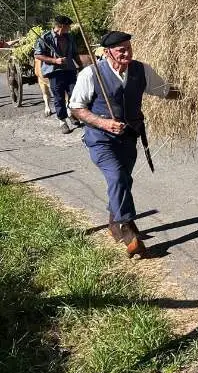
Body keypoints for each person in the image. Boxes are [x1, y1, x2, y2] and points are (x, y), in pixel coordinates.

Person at [69, 30, 180, 257]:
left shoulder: (141, 70)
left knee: (123, 181)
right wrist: (103, 123)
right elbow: (76, 108)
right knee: (117, 177)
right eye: (121, 50)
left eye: (129, 48)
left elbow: (165, 91)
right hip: (101, 140)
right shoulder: (92, 74)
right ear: (108, 52)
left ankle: (113, 224)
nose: (127, 53)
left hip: (129, 137)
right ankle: (129, 231)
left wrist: (195, 93)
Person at [33, 14, 83, 133]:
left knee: (73, 94)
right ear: (60, 26)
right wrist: (55, 60)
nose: (69, 29)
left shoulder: (69, 37)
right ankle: (62, 121)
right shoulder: (45, 38)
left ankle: (71, 113)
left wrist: (80, 65)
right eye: (67, 27)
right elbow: (37, 55)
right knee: (59, 97)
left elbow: (75, 53)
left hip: (69, 69)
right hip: (55, 72)